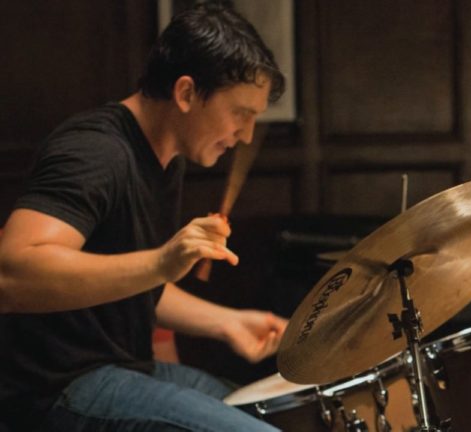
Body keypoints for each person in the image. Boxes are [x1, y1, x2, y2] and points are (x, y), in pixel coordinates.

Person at [0, 4, 289, 431]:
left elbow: (127, 281)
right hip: (55, 387)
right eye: (240, 114)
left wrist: (226, 323)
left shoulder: (164, 159)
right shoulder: (97, 152)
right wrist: (160, 262)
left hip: (122, 367)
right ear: (187, 93)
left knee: (268, 412)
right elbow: (12, 274)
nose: (246, 135)